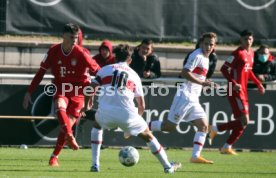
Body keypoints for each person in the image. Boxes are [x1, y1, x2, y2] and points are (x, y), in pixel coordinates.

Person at [84, 44, 181, 173]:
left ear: (114, 57)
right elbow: (142, 105)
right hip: (127, 114)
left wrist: (87, 105)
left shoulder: (104, 70)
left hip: (106, 113)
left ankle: (95, 165)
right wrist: (133, 123)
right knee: (148, 135)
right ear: (130, 60)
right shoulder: (134, 75)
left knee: (97, 126)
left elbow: (90, 88)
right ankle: (168, 166)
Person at [22, 23, 101, 167]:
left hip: (79, 91)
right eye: (71, 37)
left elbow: (99, 73)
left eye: (76, 37)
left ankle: (54, 156)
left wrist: (94, 92)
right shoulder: (53, 51)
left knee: (67, 125)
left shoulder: (83, 54)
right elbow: (40, 73)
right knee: (60, 105)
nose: (74, 40)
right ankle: (70, 136)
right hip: (61, 87)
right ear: (63, 36)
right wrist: (29, 91)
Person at [149, 32, 218, 164]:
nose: (208, 47)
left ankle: (195, 156)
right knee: (168, 127)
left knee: (203, 126)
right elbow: (184, 73)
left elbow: (198, 77)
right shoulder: (196, 55)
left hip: (194, 99)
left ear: (214, 46)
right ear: (201, 43)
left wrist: (206, 83)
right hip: (185, 97)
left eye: (211, 44)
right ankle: (139, 127)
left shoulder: (206, 58)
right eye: (206, 44)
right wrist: (202, 83)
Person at [208, 30, 265, 155]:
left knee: (242, 123)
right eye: (245, 39)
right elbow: (224, 69)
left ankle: (226, 146)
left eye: (250, 39)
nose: (248, 41)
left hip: (243, 91)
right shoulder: (237, 53)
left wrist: (258, 83)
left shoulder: (251, 54)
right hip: (235, 91)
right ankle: (216, 129)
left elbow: (248, 71)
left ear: (253, 40)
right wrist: (234, 83)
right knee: (245, 121)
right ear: (241, 40)